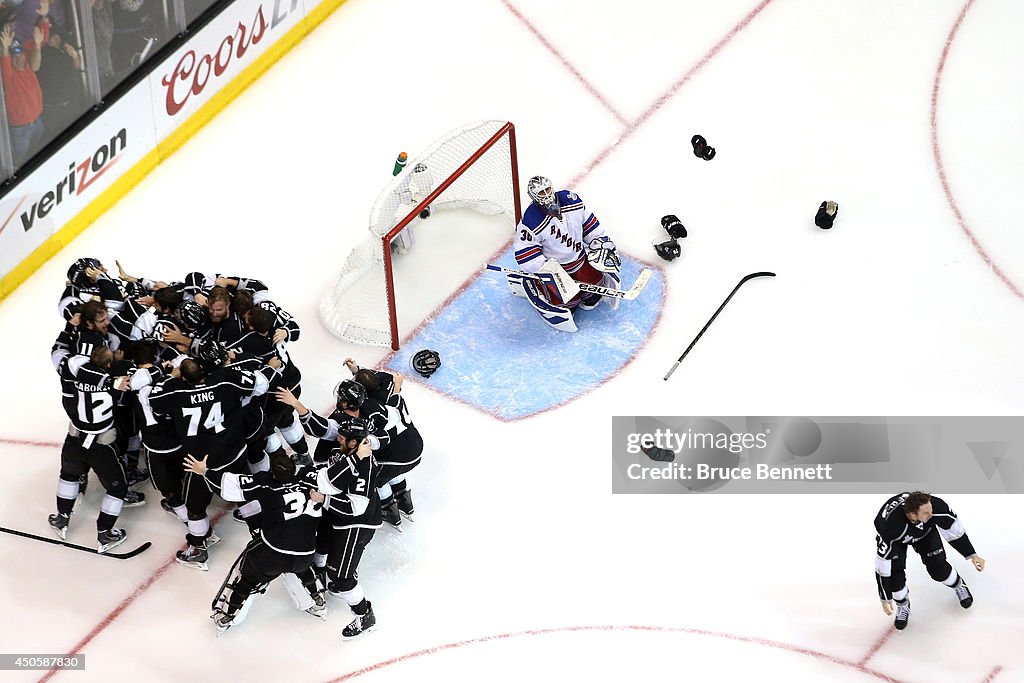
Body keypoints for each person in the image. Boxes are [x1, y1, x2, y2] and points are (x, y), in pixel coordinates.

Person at [182, 450, 327, 632]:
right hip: (304, 553)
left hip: (272, 552)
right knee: (303, 570)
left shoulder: (265, 484)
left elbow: (231, 485)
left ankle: (227, 615)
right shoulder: (308, 479)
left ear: (273, 474)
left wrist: (204, 471)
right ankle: (317, 600)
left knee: (246, 577)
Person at [48, 344, 142, 553]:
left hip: (75, 439)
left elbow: (66, 360)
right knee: (117, 488)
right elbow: (125, 391)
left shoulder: (79, 372)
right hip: (101, 445)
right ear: (109, 364)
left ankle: (62, 518)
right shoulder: (113, 385)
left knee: (68, 475)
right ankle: (104, 533)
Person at [508, 176, 621, 332]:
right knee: (566, 298)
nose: (547, 195)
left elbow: (587, 223)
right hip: (557, 267)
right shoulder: (531, 220)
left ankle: (587, 293)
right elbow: (525, 250)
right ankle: (548, 292)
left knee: (592, 286)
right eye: (541, 193)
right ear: (534, 196)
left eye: (547, 190)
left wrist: (600, 241)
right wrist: (546, 269)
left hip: (579, 258)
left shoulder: (571, 201)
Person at [874, 491, 986, 630]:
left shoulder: (936, 507)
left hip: (925, 532)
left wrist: (972, 555)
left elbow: (954, 530)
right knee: (895, 578)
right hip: (897, 540)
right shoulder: (891, 529)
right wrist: (885, 597)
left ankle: (959, 585)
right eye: (926, 512)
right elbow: (882, 564)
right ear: (913, 514)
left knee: (938, 569)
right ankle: (903, 605)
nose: (931, 513)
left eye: (930, 509)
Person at [1, 17, 49, 165]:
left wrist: (43, 18)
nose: (18, 57)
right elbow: (6, 60)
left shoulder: (26, 62)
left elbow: (40, 43)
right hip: (20, 129)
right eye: (14, 56)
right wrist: (4, 48)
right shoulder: (9, 75)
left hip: (37, 122)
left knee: (40, 151)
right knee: (20, 161)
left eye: (20, 54)